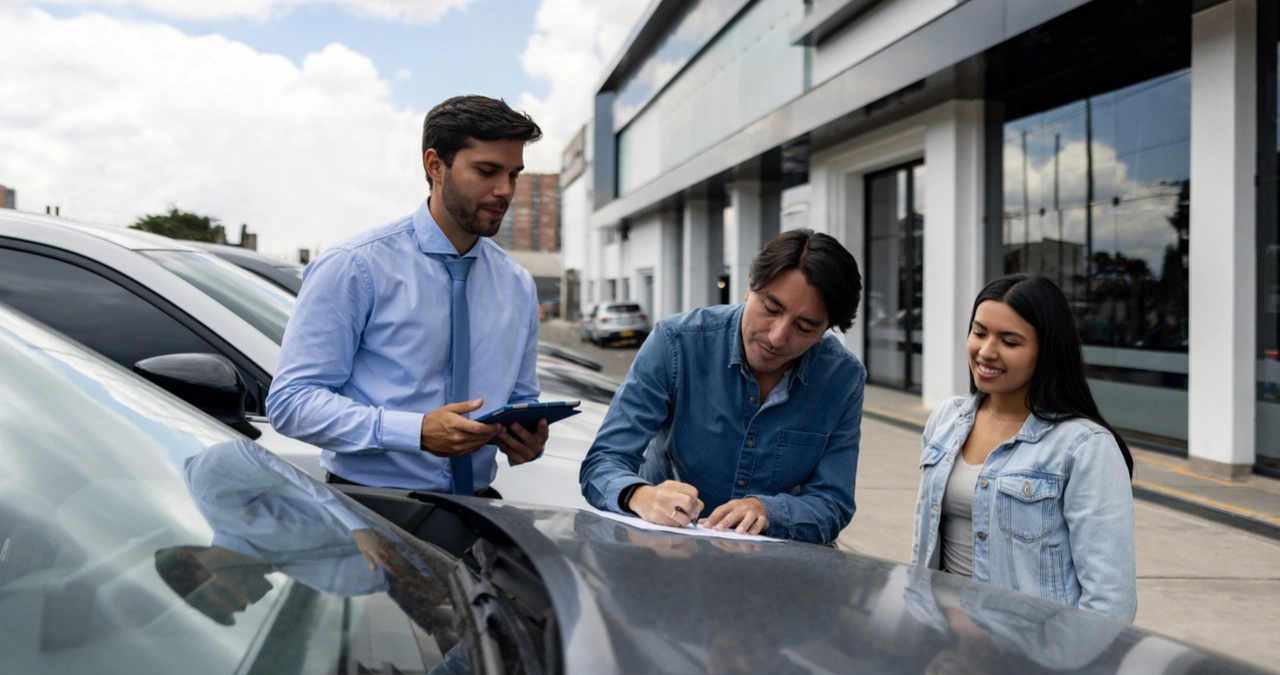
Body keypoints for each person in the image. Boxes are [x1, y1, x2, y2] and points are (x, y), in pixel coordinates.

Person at [267, 95, 549, 495]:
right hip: (372, 508)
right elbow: (291, 402)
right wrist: (414, 431)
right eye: (487, 171)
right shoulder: (355, 266)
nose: (505, 190)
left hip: (479, 510)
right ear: (435, 166)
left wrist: (527, 440)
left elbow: (521, 399)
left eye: (514, 175)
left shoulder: (517, 284)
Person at [579, 229, 866, 544]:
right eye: (770, 309)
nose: (777, 337)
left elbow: (832, 503)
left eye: (804, 327)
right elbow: (603, 462)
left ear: (826, 328)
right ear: (748, 288)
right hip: (665, 554)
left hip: (774, 571)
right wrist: (639, 495)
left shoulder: (843, 379)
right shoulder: (675, 344)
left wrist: (769, 512)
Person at [910, 274, 1137, 621]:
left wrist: (1054, 667)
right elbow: (923, 548)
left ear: (1046, 352)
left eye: (1010, 342)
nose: (986, 351)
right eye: (979, 332)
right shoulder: (945, 420)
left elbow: (1110, 602)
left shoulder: (1084, 448)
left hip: (1025, 657)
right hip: (939, 641)